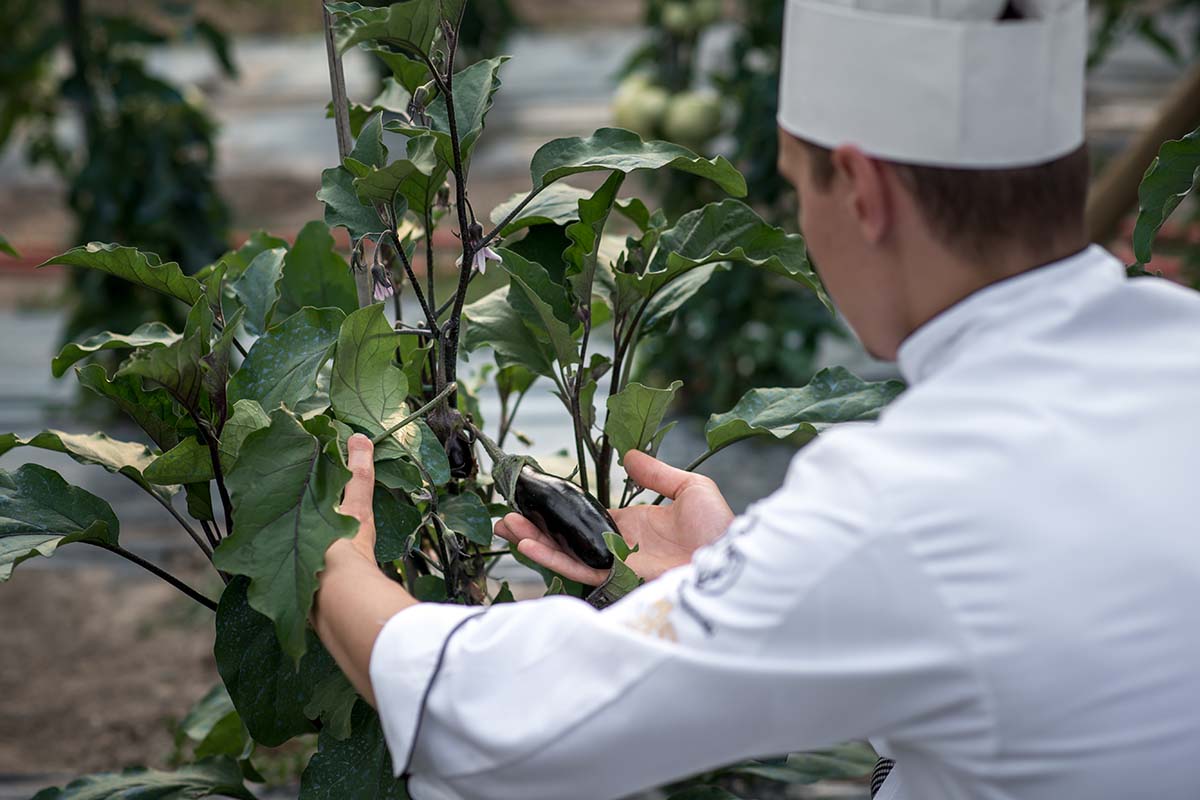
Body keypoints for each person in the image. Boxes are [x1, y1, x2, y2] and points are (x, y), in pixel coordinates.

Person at [311, 0, 1200, 797]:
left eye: (795, 181)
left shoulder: (904, 505)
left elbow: (498, 720)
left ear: (861, 190)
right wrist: (744, 577)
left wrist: (329, 565)